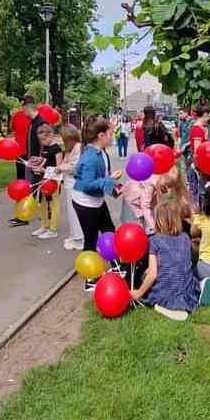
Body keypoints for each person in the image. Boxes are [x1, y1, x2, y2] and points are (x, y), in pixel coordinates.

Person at [72, 119, 123, 291]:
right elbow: (87, 185)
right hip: (85, 204)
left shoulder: (102, 152)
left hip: (96, 201)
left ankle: (116, 265)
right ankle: (90, 278)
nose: (113, 137)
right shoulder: (90, 158)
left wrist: (114, 189)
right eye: (110, 134)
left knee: (109, 230)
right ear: (101, 136)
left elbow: (102, 180)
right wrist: (109, 180)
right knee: (91, 239)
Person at [131, 200, 199, 321]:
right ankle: (182, 303)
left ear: (158, 221)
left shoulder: (155, 240)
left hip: (165, 291)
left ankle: (166, 307)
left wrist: (139, 293)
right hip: (187, 291)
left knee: (147, 276)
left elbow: (153, 274)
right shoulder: (185, 237)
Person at [8, 99, 46, 227]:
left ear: (28, 108)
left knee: (34, 189)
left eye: (24, 110)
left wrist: (41, 160)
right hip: (31, 160)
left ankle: (27, 216)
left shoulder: (40, 123)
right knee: (31, 189)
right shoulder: (33, 123)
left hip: (36, 161)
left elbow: (45, 144)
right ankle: (27, 215)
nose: (23, 112)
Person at [27, 124, 62, 240]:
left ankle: (53, 229)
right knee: (42, 202)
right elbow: (45, 162)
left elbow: (59, 167)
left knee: (53, 204)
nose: (42, 142)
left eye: (44, 139)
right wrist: (36, 165)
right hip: (44, 179)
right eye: (40, 140)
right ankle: (44, 225)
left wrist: (44, 169)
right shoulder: (45, 148)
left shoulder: (56, 149)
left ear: (51, 135)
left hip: (54, 181)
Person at [57, 124, 84, 251]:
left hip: (74, 184)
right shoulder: (70, 149)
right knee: (70, 211)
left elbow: (75, 167)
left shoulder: (78, 148)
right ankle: (74, 235)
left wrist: (61, 167)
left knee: (75, 212)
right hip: (69, 183)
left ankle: (79, 238)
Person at [185, 104, 210, 210]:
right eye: (209, 115)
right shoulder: (197, 130)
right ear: (205, 114)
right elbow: (197, 151)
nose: (209, 118)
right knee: (200, 193)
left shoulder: (199, 128)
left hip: (199, 166)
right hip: (199, 167)